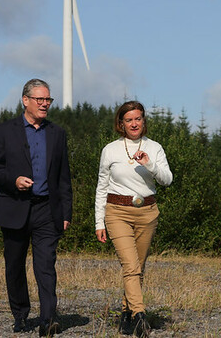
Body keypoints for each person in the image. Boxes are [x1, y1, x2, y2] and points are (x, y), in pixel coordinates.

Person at [0, 78, 72, 336]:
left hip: (47, 210)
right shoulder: (4, 131)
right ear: (26, 100)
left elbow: (63, 177)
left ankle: (47, 320)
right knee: (14, 265)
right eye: (40, 99)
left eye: (48, 100)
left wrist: (66, 212)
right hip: (14, 207)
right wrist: (13, 180)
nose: (45, 104)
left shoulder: (57, 133)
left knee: (45, 265)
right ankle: (21, 315)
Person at [95, 101, 172, 337]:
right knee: (130, 266)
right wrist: (99, 221)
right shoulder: (110, 150)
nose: (134, 123)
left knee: (138, 268)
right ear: (121, 124)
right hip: (117, 212)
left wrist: (149, 164)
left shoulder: (155, 148)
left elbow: (167, 180)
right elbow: (101, 187)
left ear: (143, 121)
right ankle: (140, 317)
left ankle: (125, 313)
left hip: (147, 213)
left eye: (138, 119)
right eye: (128, 120)